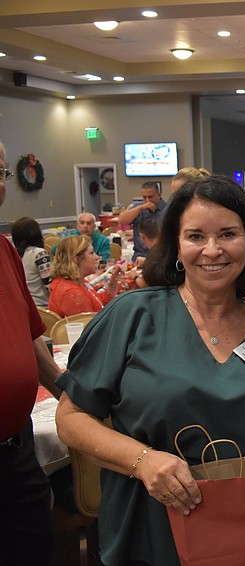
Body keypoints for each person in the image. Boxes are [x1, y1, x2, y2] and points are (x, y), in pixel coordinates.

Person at [56, 175, 245, 566]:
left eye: (227, 234)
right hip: (145, 529)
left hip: (241, 535)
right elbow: (71, 417)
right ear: (175, 244)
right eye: (195, 236)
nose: (212, 250)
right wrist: (143, 461)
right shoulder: (133, 316)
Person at [0, 141, 63, 566]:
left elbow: (33, 345)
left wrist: (86, 398)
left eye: (0, 171)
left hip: (15, 453)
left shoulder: (5, 251)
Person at [48, 235, 123, 317]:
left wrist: (113, 280)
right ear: (76, 259)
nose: (97, 257)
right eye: (91, 253)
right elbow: (90, 327)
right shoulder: (72, 293)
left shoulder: (77, 281)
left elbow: (99, 303)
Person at [118, 181, 168, 261]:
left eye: (150, 197)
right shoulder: (138, 208)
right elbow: (121, 221)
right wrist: (141, 208)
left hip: (160, 256)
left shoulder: (167, 209)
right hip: (139, 254)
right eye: (144, 197)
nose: (147, 200)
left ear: (159, 194)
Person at [11, 216, 52, 307]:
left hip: (24, 304)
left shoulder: (14, 254)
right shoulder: (40, 254)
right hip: (42, 306)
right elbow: (50, 285)